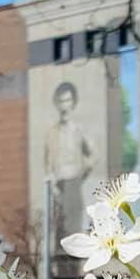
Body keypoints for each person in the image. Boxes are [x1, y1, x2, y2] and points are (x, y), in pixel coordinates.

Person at [45, 82, 96, 238]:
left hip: (74, 182)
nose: (64, 105)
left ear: (73, 102)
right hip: (58, 185)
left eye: (67, 100)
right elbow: (48, 162)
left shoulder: (78, 129)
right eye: (61, 101)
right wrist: (52, 184)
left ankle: (74, 261)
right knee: (60, 232)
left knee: (73, 230)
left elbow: (94, 154)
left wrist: (83, 171)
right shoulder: (52, 132)